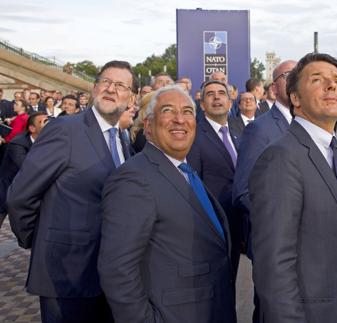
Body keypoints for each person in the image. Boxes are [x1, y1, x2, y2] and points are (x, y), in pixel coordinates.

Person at [7, 60, 136, 323]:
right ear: (94, 87)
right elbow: (21, 195)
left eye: (120, 85)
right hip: (65, 272)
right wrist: (41, 240)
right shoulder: (65, 129)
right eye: (106, 82)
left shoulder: (122, 139)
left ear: (131, 97)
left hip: (108, 275)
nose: (111, 89)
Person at [98, 85, 236, 323]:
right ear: (148, 126)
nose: (180, 120)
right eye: (168, 111)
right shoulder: (134, 179)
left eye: (187, 112)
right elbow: (117, 270)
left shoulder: (184, 171)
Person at [249, 53, 337, 323]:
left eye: (336, 80)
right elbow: (274, 265)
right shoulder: (281, 157)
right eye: (317, 79)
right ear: (295, 98)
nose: (331, 85)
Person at [232, 59, 296, 323]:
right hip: (275, 245)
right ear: (274, 86)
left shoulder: (314, 125)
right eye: (290, 74)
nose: (297, 78)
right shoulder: (261, 129)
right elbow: (243, 191)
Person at [188, 80, 242, 280]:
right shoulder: (194, 135)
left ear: (230, 102)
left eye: (221, 93)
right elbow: (194, 185)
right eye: (210, 94)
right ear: (202, 104)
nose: (217, 97)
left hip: (237, 224)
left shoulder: (238, 131)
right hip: (212, 227)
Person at [0, 111, 48, 228]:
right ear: (32, 128)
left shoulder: (49, 142)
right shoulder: (18, 143)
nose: (48, 124)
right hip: (8, 188)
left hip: (30, 191)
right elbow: (27, 167)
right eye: (43, 122)